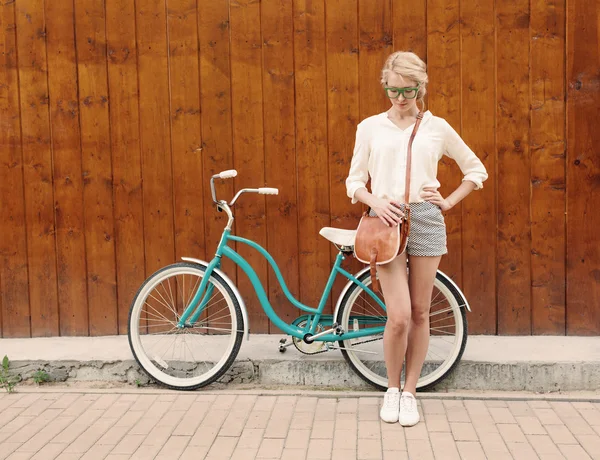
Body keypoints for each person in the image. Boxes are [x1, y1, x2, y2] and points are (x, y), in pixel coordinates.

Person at [345, 51, 488, 426]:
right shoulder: (370, 127)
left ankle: (410, 392)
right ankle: (391, 390)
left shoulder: (437, 127)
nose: (400, 98)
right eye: (393, 90)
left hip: (425, 218)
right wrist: (375, 201)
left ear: (420, 87)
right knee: (399, 317)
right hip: (385, 220)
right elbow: (354, 182)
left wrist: (448, 202)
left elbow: (475, 169)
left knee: (422, 313)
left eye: (407, 90)